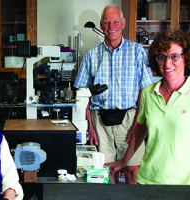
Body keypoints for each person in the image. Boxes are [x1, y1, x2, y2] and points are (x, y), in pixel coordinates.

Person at [73, 5, 153, 184]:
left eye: (115, 22)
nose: (111, 26)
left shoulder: (137, 51)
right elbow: (82, 94)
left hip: (130, 118)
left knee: (133, 170)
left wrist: (138, 121)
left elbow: (145, 90)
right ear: (101, 25)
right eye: (107, 22)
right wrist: (90, 127)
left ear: (123, 23)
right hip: (100, 121)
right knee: (107, 172)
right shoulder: (92, 56)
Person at [106, 29, 190, 184]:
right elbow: (140, 129)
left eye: (174, 56)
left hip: (183, 185)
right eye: (162, 57)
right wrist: (123, 162)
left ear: (186, 58)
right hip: (148, 181)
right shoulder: (148, 93)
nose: (167, 63)